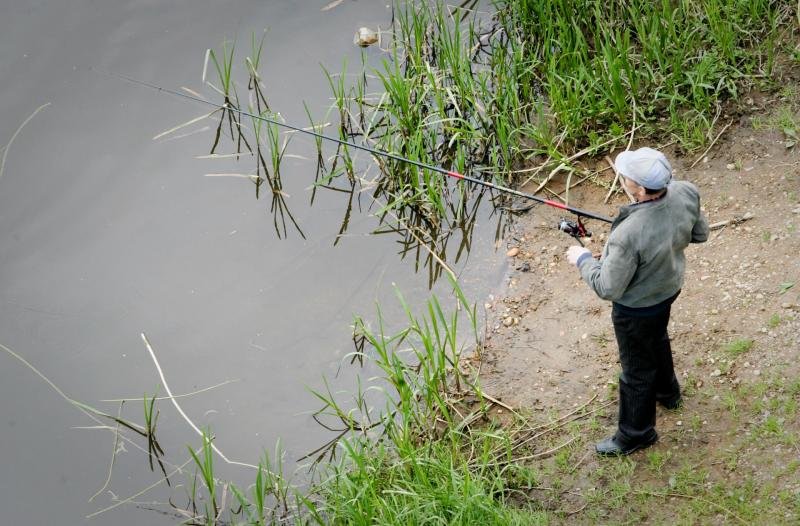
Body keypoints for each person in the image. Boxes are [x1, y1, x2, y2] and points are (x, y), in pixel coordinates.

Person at [565, 147, 708, 456]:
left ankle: (636, 433)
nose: (622, 179)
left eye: (625, 177)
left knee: (636, 369)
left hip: (636, 310)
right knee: (656, 338)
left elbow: (607, 287)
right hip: (669, 290)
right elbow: (699, 234)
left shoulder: (627, 235)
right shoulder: (686, 191)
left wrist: (583, 259)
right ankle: (668, 392)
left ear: (640, 189)